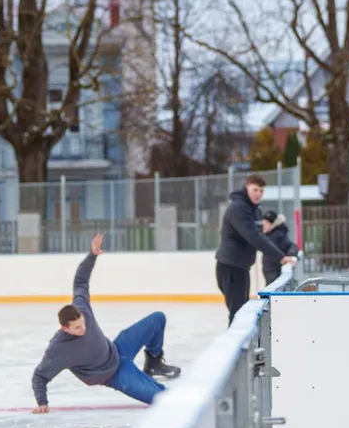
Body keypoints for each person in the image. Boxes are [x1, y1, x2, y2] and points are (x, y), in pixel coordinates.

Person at [32, 233, 181, 412]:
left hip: (118, 348)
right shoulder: (58, 349)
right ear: (65, 328)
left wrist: (92, 255)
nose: (83, 328)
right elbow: (40, 376)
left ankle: (154, 363)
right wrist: (42, 403)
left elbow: (80, 281)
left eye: (83, 323)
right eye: (77, 328)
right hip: (114, 375)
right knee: (163, 399)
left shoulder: (81, 308)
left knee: (157, 319)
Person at [215, 174, 296, 324]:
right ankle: (238, 345)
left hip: (241, 267)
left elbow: (262, 236)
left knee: (240, 307)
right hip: (230, 266)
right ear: (247, 188)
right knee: (237, 309)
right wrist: (281, 257)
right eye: (255, 190)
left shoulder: (255, 211)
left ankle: (242, 344)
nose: (258, 194)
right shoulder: (239, 208)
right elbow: (254, 237)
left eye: (261, 191)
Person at [260, 210, 299, 286]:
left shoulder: (276, 235)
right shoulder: (270, 235)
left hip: (274, 271)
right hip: (272, 271)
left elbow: (292, 246)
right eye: (263, 223)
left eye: (266, 223)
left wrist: (290, 255)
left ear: (272, 224)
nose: (263, 225)